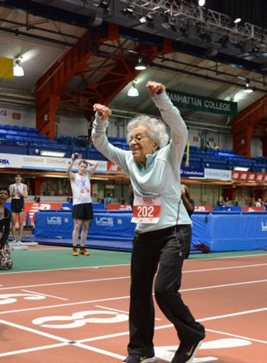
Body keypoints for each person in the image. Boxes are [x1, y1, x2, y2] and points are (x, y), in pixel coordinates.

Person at [92, 81, 206, 363]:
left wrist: (161, 99)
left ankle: (191, 333)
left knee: (163, 289)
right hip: (145, 233)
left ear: (155, 142)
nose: (133, 142)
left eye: (139, 137)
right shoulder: (129, 161)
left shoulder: (169, 156)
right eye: (131, 137)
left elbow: (180, 129)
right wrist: (99, 121)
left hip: (175, 231)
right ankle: (141, 350)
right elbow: (100, 143)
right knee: (138, 292)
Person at [67, 154, 98, 256]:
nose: (83, 168)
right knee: (77, 225)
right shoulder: (74, 176)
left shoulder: (87, 175)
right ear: (78, 167)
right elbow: (67, 171)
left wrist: (86, 161)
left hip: (87, 203)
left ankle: (83, 248)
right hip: (78, 204)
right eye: (81, 166)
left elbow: (96, 164)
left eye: (84, 167)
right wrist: (72, 161)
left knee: (85, 226)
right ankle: (74, 248)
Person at [9, 174, 28, 243]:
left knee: (20, 222)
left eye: (19, 177)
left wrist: (20, 192)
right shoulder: (12, 186)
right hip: (14, 203)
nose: (18, 178)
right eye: (16, 177)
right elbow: (9, 195)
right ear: (15, 178)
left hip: (20, 203)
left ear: (21, 178)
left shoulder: (24, 186)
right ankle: (14, 237)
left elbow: (26, 196)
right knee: (13, 221)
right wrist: (13, 192)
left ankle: (19, 238)